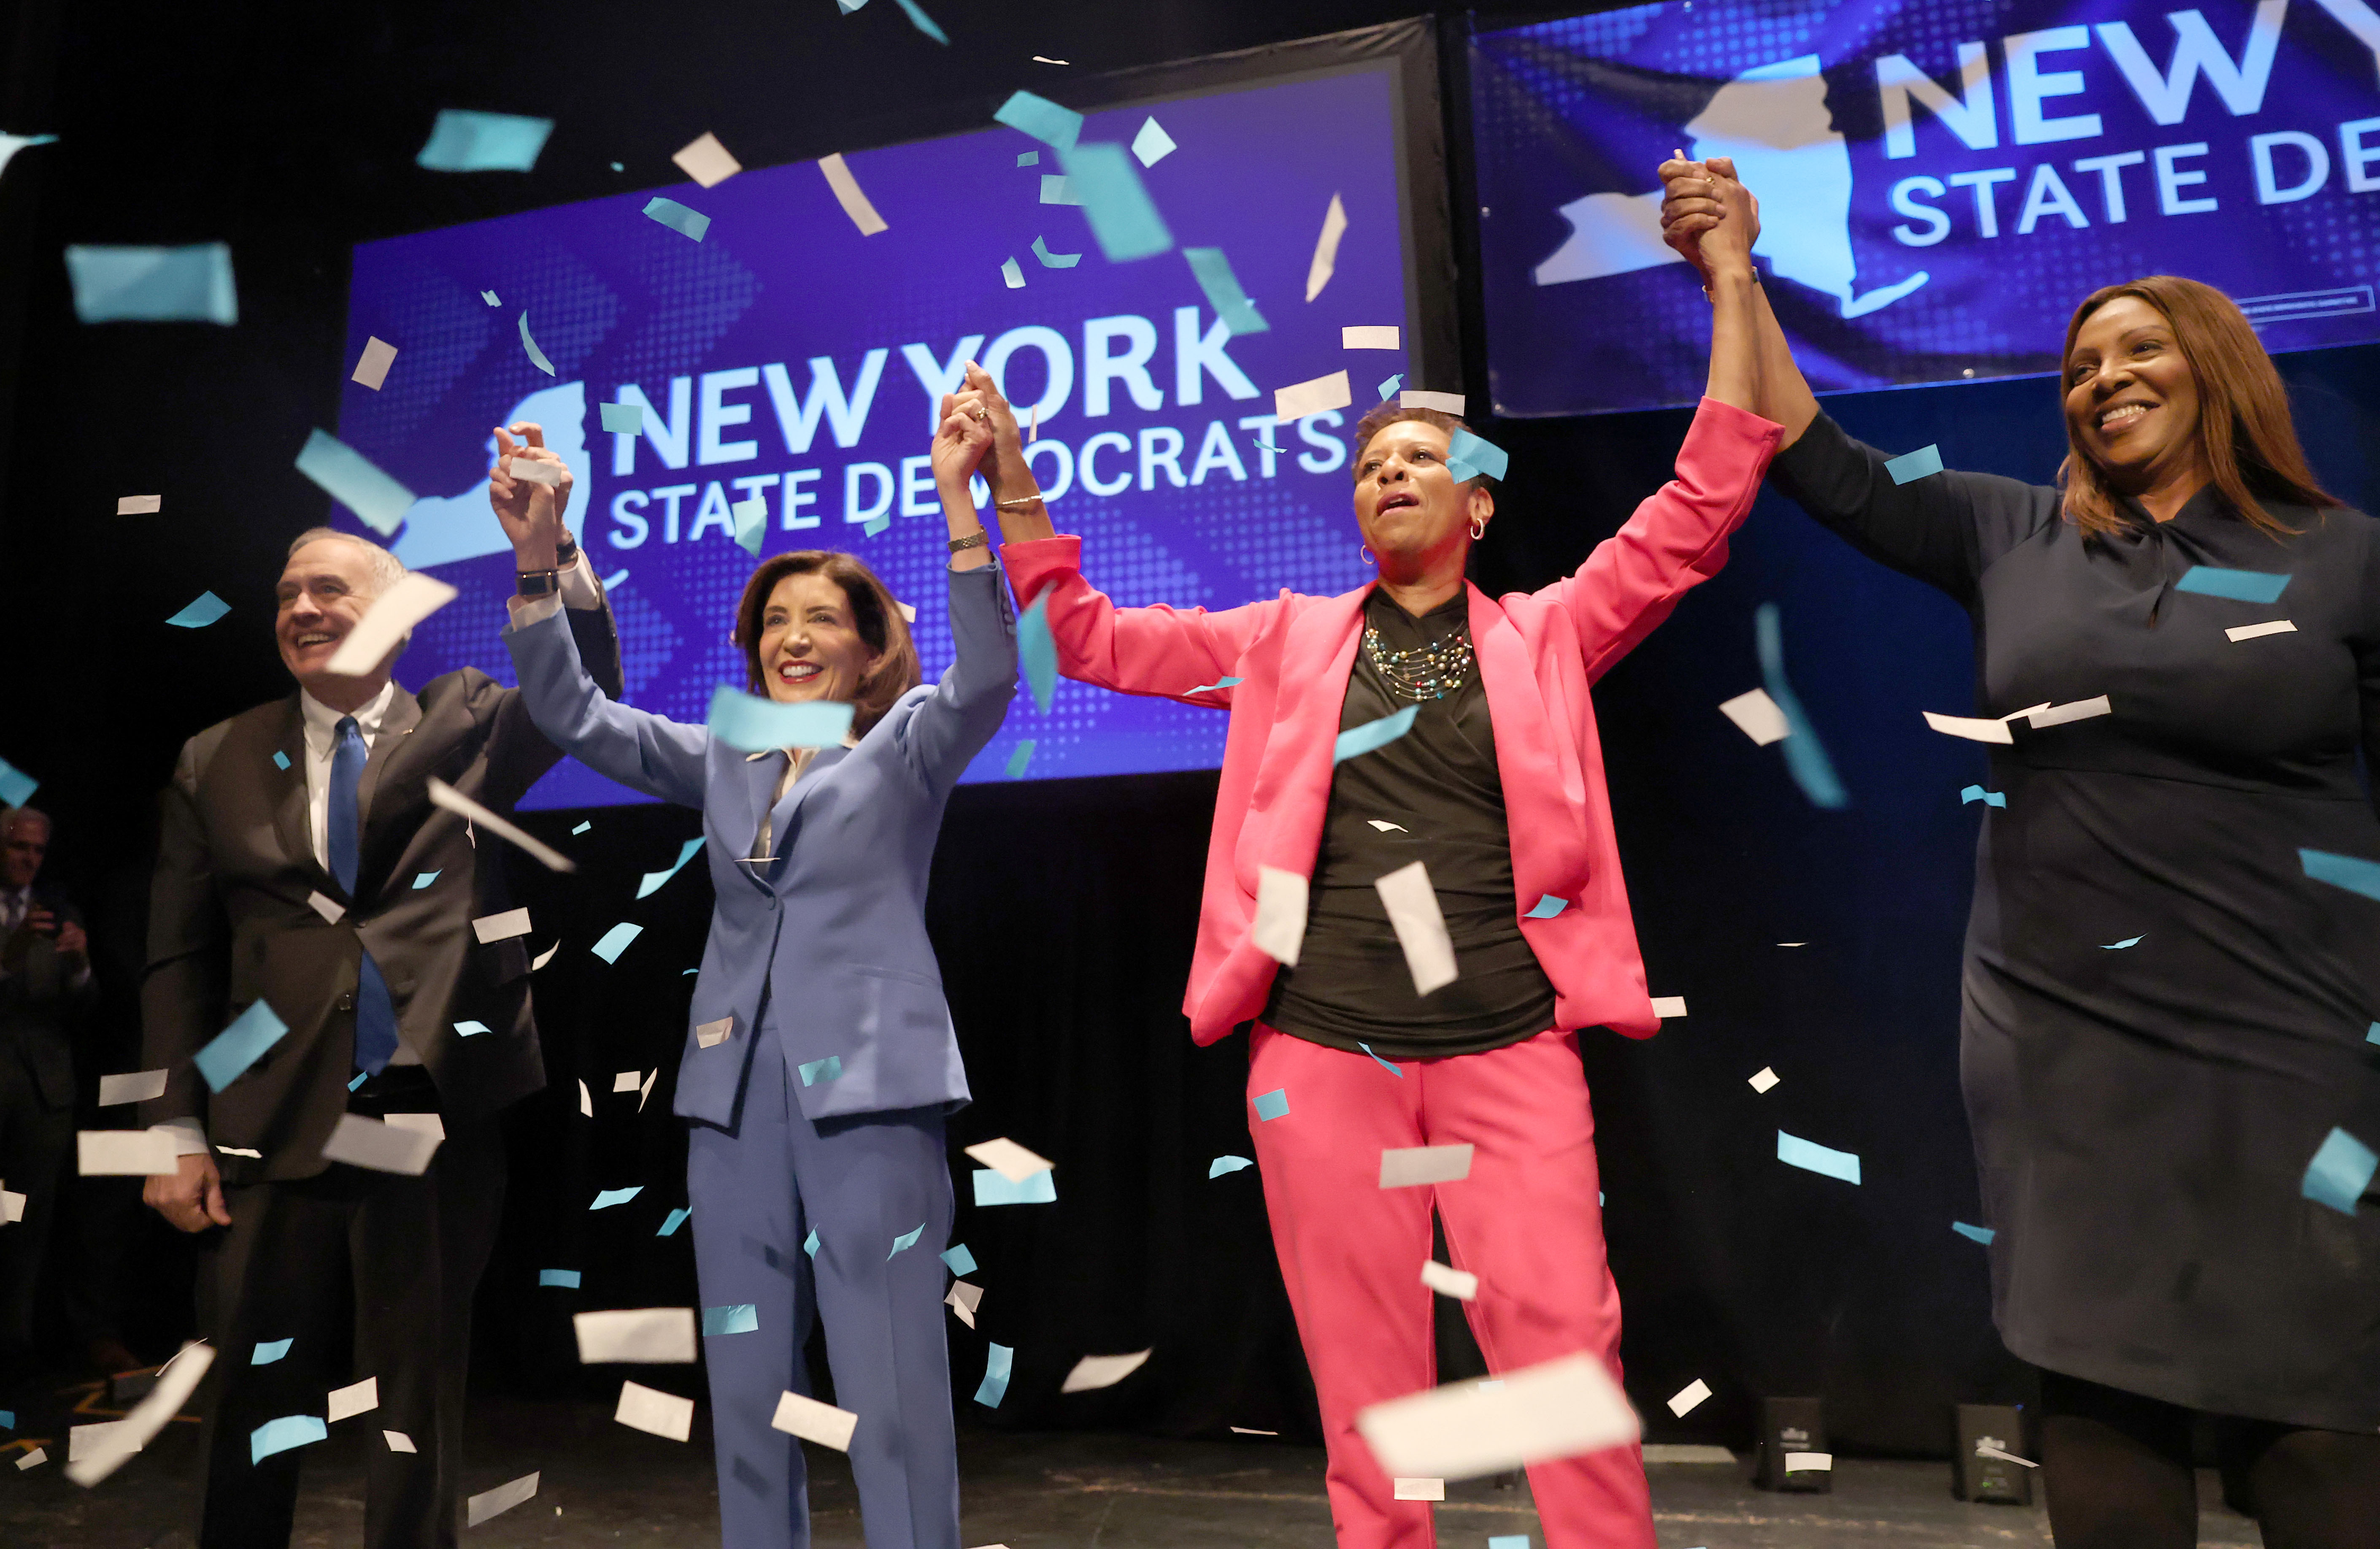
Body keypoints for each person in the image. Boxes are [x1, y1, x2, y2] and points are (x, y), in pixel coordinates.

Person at [953, 172, 1775, 1549]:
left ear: (1481, 508)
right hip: (1323, 1057)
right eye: (1368, 461)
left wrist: (1731, 280)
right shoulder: (1283, 640)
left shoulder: (1548, 635)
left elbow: (1704, 500)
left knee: (1564, 1373)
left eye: (1419, 458)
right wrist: (1014, 480)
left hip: (1508, 1048)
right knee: (1371, 1402)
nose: (1387, 470)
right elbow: (1088, 636)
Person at [1659, 160, 2380, 1549]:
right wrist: (1734, 272)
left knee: (2322, 1441)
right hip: (2065, 1043)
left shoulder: (2346, 561)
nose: (2100, 379)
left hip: (2288, 1047)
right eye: (2078, 364)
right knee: (2103, 1410)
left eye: (2138, 349)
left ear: (2220, 369)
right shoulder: (2014, 534)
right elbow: (1803, 452)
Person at [500, 385, 1016, 1549]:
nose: (791, 637)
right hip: (731, 1098)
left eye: (821, 619)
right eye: (774, 619)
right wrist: (540, 565)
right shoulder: (723, 756)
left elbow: (990, 677)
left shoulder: (910, 740)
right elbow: (577, 715)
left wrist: (957, 503)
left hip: (870, 1088)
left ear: (870, 646)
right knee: (746, 1381)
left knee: (886, 1378)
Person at [139, 423, 620, 1549]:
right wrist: (167, 1128)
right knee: (253, 1406)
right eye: (286, 594)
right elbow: (177, 959)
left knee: (416, 1407)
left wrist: (547, 553)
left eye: (330, 588)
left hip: (432, 1113)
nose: (302, 609)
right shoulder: (213, 758)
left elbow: (587, 687)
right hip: (265, 1122)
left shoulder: (466, 722)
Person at [0, 805, 96, 1388]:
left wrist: (81, 963)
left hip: (44, 1092)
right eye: (17, 847)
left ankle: (14, 1346)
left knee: (29, 1226)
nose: (28, 859)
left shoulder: (56, 911)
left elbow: (88, 1010)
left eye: (37, 850)